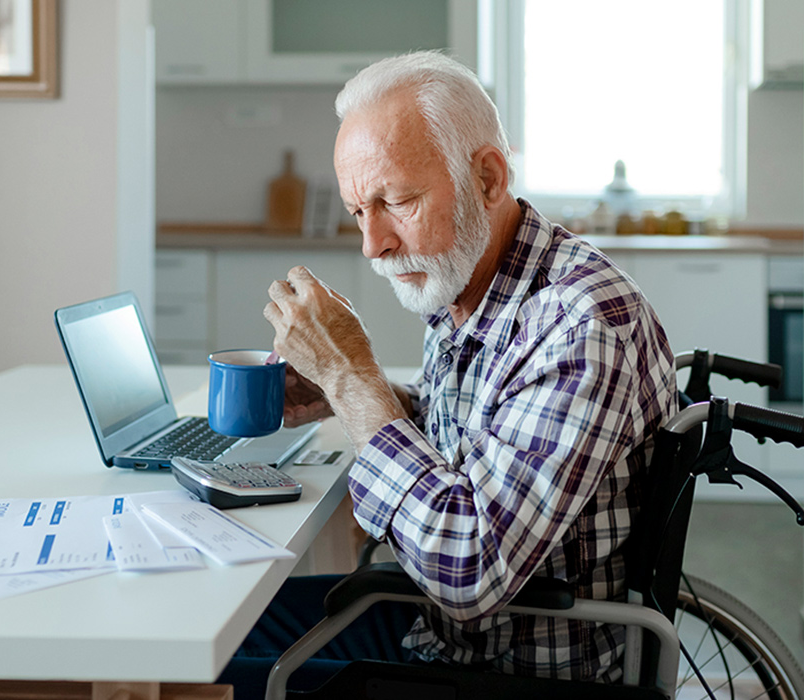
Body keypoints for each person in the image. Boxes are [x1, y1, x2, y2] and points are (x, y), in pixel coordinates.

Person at [217, 50, 676, 697]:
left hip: (508, 663)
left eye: (396, 201)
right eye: (357, 211)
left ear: (488, 177)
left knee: (217, 665)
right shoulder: (470, 282)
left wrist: (355, 379)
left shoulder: (582, 323)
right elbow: (470, 433)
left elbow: (469, 568)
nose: (373, 243)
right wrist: (340, 393)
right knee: (227, 621)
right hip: (443, 631)